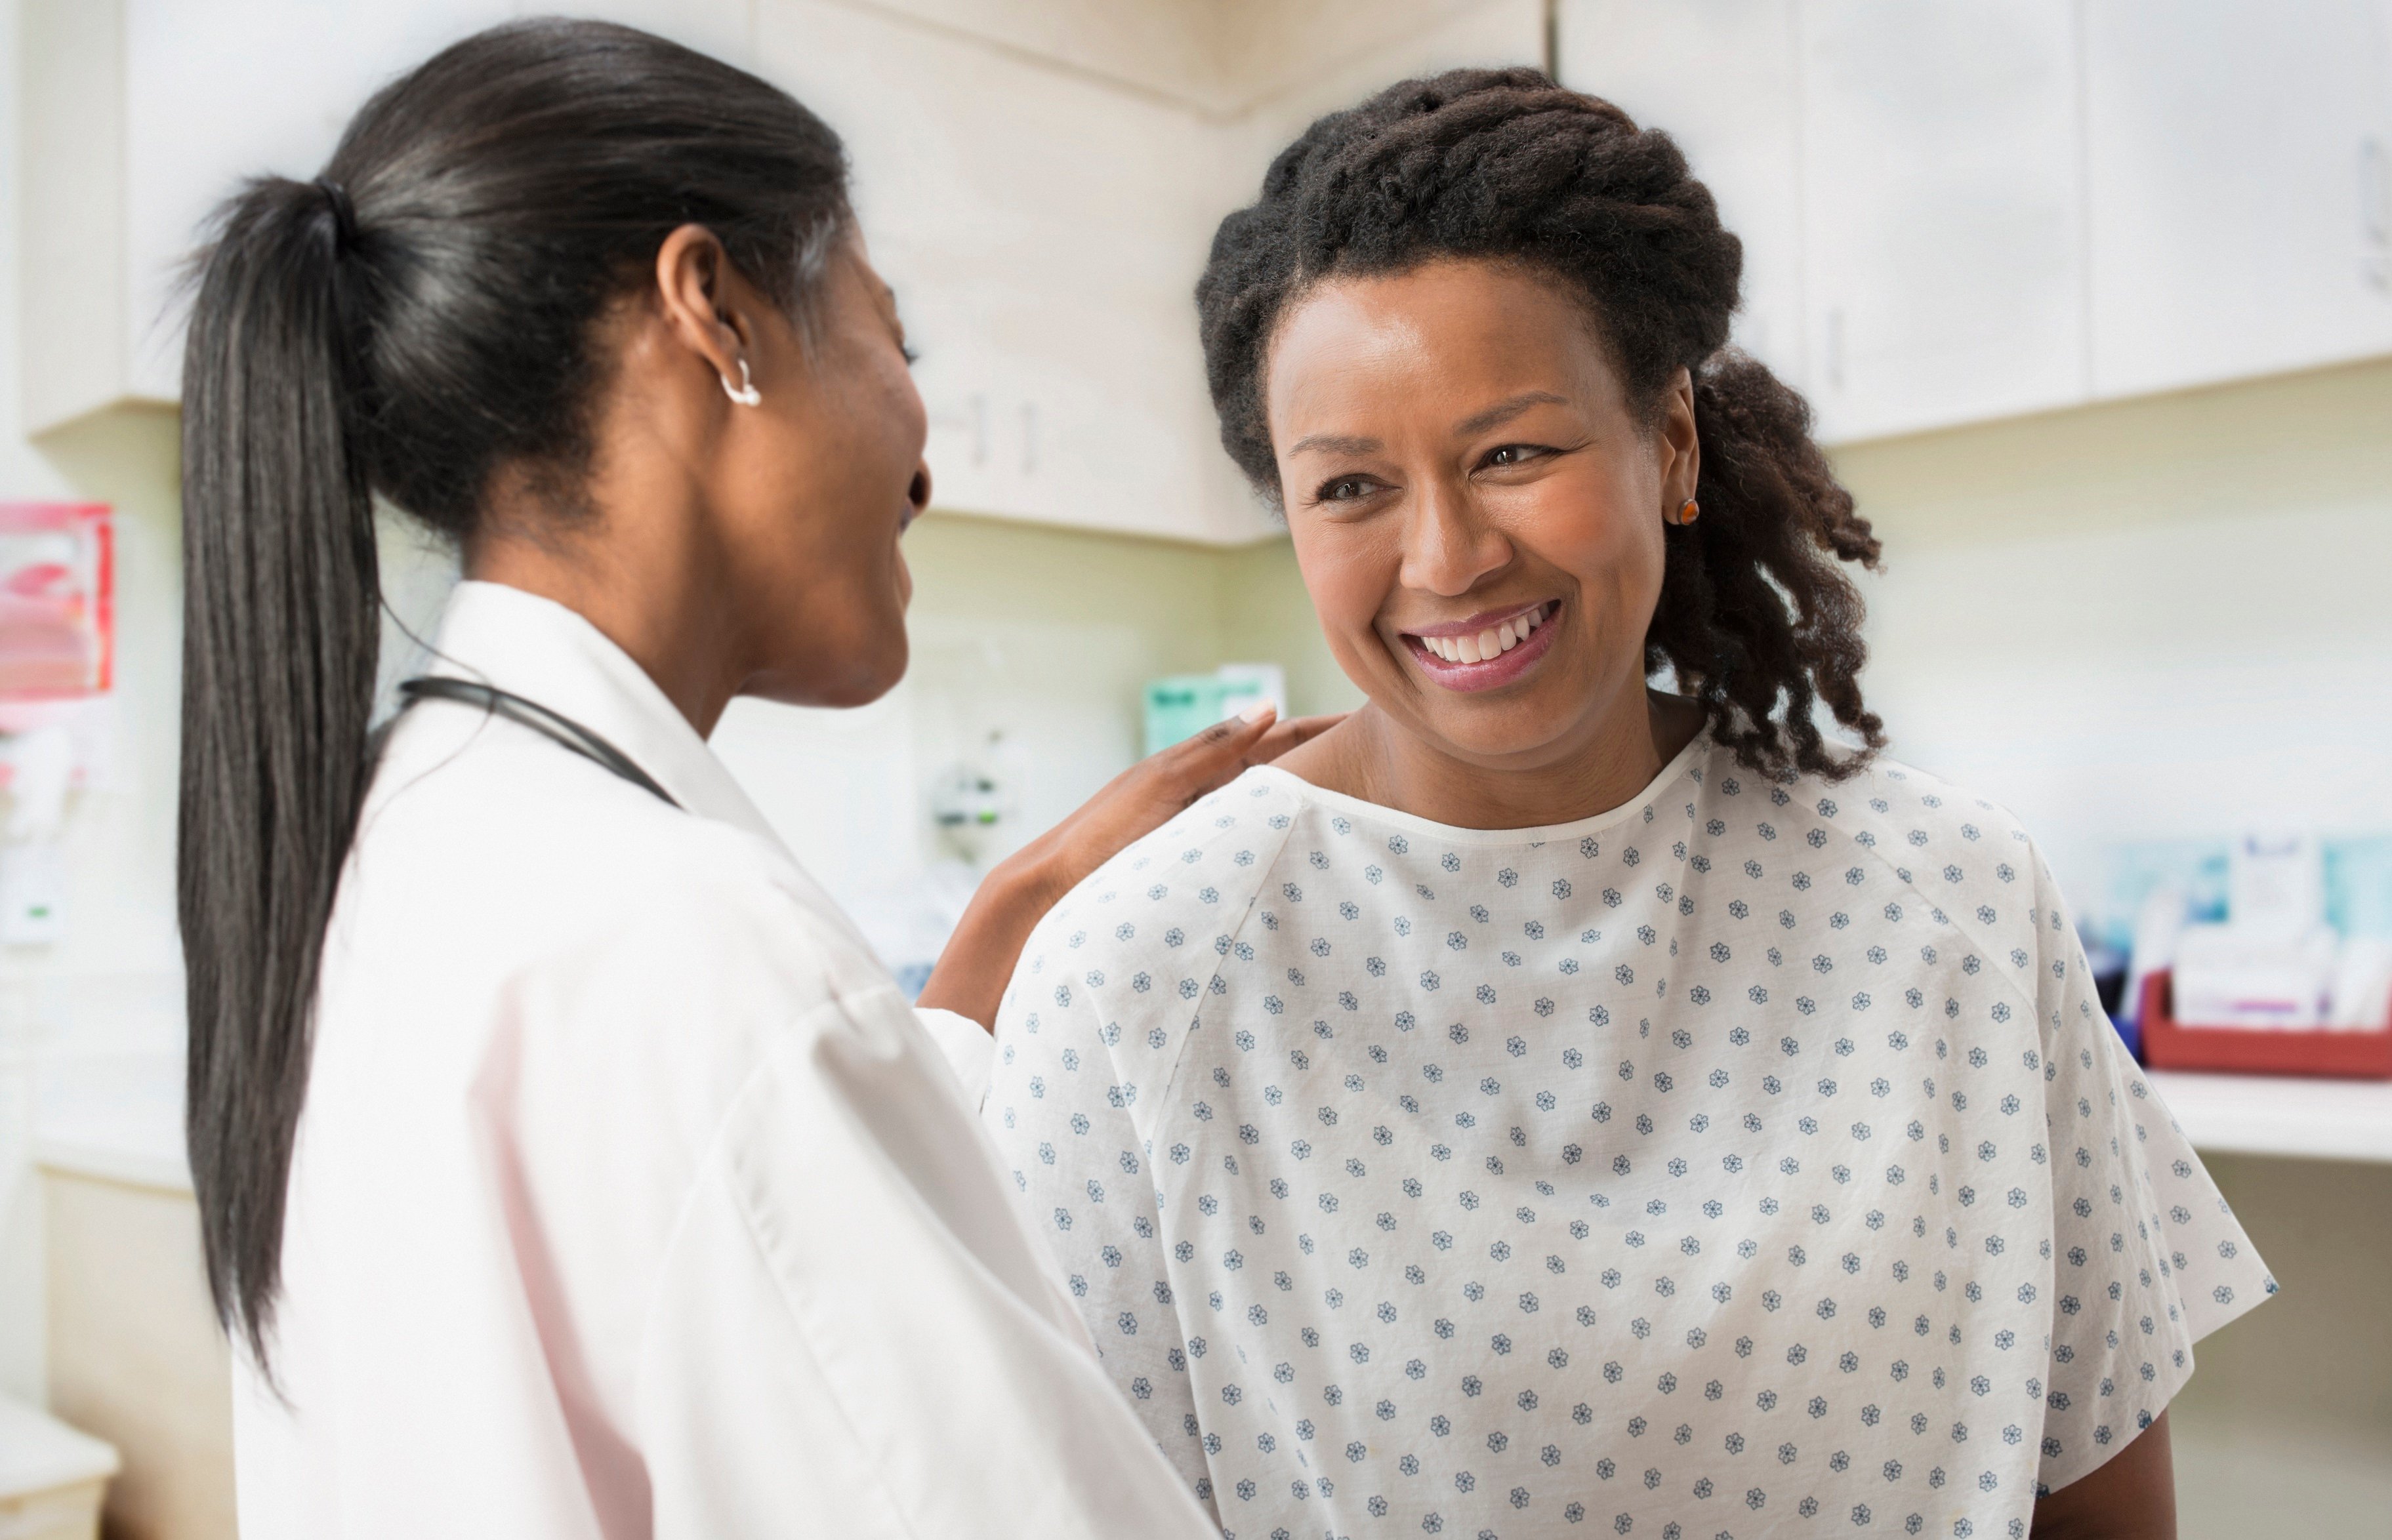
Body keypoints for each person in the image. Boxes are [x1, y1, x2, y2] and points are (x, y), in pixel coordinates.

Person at [981, 69, 2269, 1540]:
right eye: (1348, 487)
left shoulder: (1955, 903)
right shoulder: (1134, 978)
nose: (1446, 556)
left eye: (1512, 452)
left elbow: (2095, 1490)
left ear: (1667, 444)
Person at [176, 20, 1332, 1537]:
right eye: (890, 341)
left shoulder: (394, 848)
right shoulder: (688, 947)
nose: (924, 463)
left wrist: (1001, 931)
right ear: (712, 313)